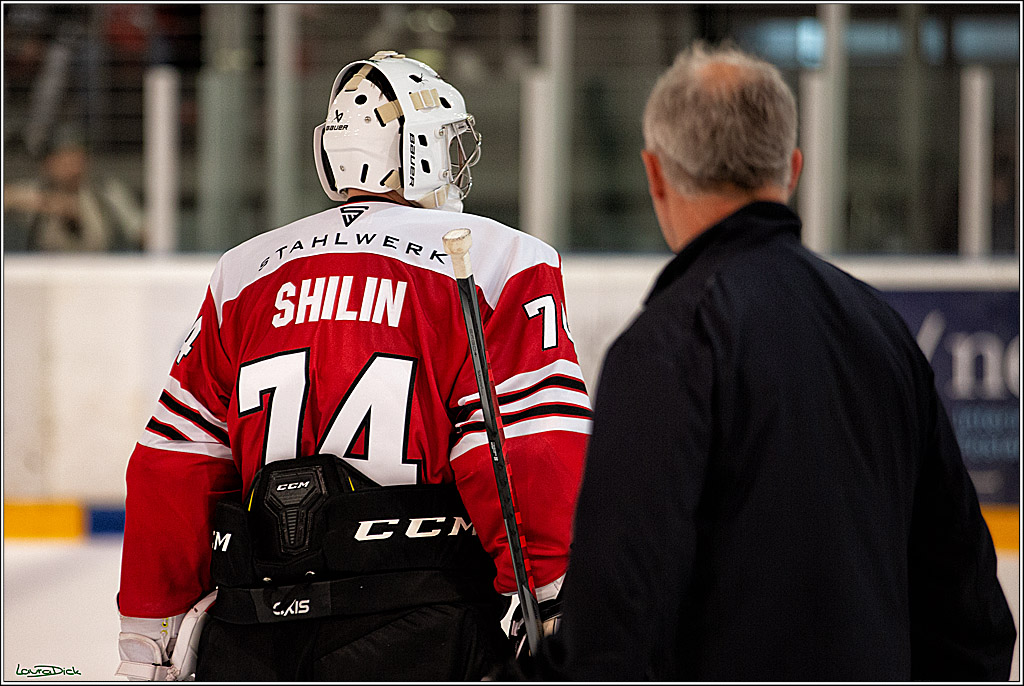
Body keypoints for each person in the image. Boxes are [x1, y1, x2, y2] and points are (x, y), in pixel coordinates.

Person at [544, 43, 1016, 681]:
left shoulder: (670, 344)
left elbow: (617, 613)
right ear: (792, 168)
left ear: (654, 175)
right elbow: (972, 614)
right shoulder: (885, 334)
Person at [115, 51, 590, 681]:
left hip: (252, 635)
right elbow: (525, 447)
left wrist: (147, 637)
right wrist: (559, 596)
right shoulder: (495, 259)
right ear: (419, 149)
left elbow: (173, 466)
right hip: (419, 629)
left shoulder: (244, 271)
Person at [4, 132, 145, 252]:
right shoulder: (34, 189)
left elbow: (142, 230)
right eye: (66, 160)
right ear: (48, 164)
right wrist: (46, 202)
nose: (74, 169)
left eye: (79, 159)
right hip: (44, 274)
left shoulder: (106, 191)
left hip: (99, 271)